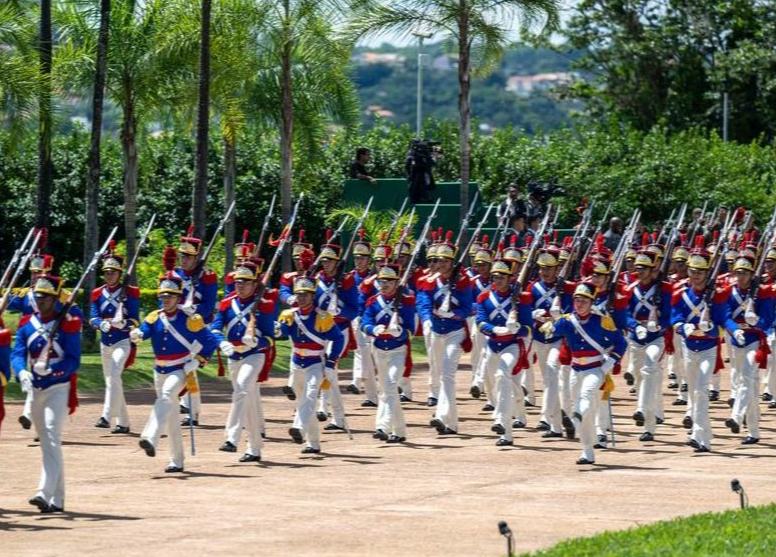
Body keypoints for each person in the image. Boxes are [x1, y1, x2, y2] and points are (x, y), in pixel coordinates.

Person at [132, 272, 218, 473]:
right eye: (163, 296)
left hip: (180, 369)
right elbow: (144, 331)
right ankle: (177, 460)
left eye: (170, 296)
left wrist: (197, 361)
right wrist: (137, 334)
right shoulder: (154, 317)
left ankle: (150, 436)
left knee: (166, 396)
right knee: (170, 416)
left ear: (178, 298)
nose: (166, 299)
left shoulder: (190, 319)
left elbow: (210, 342)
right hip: (159, 369)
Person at [12, 274, 82, 513]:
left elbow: (74, 360)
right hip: (35, 389)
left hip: (59, 387)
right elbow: (17, 354)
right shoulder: (26, 325)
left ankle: (44, 492)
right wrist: (22, 372)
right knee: (47, 444)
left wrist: (52, 371)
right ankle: (59, 499)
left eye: (45, 298)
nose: (40, 302)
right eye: (38, 297)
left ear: (54, 300)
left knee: (51, 436)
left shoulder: (68, 323)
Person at [540, 282, 626, 465]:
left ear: (592, 302)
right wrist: (547, 325)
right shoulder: (567, 320)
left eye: (584, 301)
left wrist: (611, 361)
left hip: (596, 368)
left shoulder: (602, 320)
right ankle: (587, 450)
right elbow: (551, 331)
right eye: (577, 300)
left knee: (586, 396)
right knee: (582, 410)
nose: (579, 304)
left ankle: (577, 415)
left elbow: (621, 342)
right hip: (575, 368)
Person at [211, 260, 277, 463]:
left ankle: (231, 437)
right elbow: (214, 328)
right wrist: (222, 343)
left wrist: (255, 342)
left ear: (254, 284)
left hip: (254, 355)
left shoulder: (264, 306)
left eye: (246, 282)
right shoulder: (226, 304)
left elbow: (270, 338)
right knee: (246, 400)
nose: (240, 285)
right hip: (233, 355)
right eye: (238, 281)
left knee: (240, 390)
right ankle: (254, 448)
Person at [670, 238, 730, 453]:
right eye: (693, 271)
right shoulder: (680, 292)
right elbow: (674, 317)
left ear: (707, 273)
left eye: (700, 272)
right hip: (689, 347)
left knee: (702, 391)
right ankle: (701, 433)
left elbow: (724, 321)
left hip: (708, 348)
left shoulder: (717, 295)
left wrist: (712, 328)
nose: (695, 275)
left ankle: (702, 437)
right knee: (694, 391)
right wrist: (682, 327)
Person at [279, 276, 345, 454]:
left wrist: (331, 362)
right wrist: (278, 328)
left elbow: (338, 339)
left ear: (312, 296)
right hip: (296, 363)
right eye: (299, 295)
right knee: (304, 403)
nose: (302, 298)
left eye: (305, 295)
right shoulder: (290, 315)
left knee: (309, 398)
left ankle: (298, 428)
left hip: (315, 363)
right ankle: (313, 442)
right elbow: (282, 333)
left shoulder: (322, 317)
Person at [417, 231, 473, 435]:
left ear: (451, 262)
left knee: (448, 375)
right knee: (441, 374)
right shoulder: (429, 281)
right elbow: (423, 302)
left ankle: (441, 415)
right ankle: (452, 423)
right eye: (437, 260)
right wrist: (427, 319)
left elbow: (468, 308)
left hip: (455, 333)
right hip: (435, 330)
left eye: (443, 261)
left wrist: (452, 314)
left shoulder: (463, 281)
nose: (438, 264)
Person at [361, 264, 416, 443]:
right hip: (379, 350)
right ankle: (399, 431)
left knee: (391, 387)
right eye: (381, 281)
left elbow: (411, 329)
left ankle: (382, 426)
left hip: (398, 351)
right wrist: (372, 328)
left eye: (388, 281)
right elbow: (364, 322)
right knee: (387, 390)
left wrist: (399, 331)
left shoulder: (406, 301)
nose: (383, 284)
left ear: (396, 282)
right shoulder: (373, 301)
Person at [476, 258, 529, 446]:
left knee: (502, 374)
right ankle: (520, 410)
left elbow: (528, 328)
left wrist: (517, 328)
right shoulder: (484, 298)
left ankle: (503, 425)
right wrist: (494, 330)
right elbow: (480, 322)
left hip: (512, 345)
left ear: (510, 278)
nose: (497, 280)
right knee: (502, 384)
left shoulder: (521, 298)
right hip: (493, 345)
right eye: (495, 276)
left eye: (501, 277)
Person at [88, 245, 139, 434]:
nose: (109, 276)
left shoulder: (130, 292)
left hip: (122, 341)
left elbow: (135, 319)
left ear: (119, 273)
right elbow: (93, 317)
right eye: (106, 273)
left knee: (115, 375)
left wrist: (122, 323)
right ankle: (123, 422)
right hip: (105, 343)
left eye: (113, 272)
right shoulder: (97, 293)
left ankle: (106, 415)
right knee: (112, 381)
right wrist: (101, 324)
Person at [723, 255, 774, 444]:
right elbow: (725, 316)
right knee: (750, 385)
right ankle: (753, 432)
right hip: (737, 340)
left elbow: (768, 320)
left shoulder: (763, 292)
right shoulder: (730, 292)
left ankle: (736, 415)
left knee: (745, 377)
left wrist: (756, 322)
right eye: (738, 273)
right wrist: (735, 330)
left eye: (744, 273)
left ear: (752, 274)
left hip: (755, 341)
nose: (741, 276)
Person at [172, 228, 219, 426]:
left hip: (196, 326)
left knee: (189, 368)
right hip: (177, 326)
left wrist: (194, 309)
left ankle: (192, 412)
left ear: (196, 257)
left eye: (189, 257)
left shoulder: (207, 276)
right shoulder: (174, 275)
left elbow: (209, 305)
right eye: (182, 256)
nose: (184, 260)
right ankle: (185, 405)